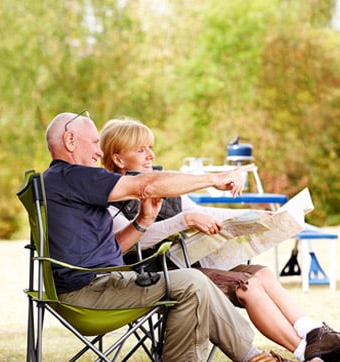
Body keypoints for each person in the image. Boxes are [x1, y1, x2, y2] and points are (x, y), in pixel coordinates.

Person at [42, 111, 294, 362]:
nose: (99, 152)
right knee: (192, 283)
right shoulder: (73, 176)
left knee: (192, 284)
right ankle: (253, 358)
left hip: (97, 284)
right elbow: (145, 185)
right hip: (89, 292)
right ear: (70, 141)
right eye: (95, 142)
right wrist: (213, 179)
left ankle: (254, 357)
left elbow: (114, 246)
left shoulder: (59, 182)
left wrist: (142, 222)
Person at [99, 117, 340, 362]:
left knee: (262, 273)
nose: (150, 155)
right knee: (248, 286)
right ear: (118, 159)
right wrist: (184, 220)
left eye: (150, 147)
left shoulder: (166, 186)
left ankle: (315, 334)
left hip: (191, 263)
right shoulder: (108, 200)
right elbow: (136, 239)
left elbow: (206, 214)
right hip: (159, 278)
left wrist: (251, 217)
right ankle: (307, 355)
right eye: (141, 150)